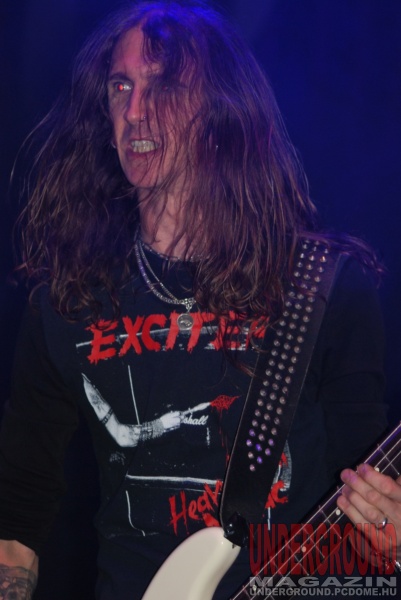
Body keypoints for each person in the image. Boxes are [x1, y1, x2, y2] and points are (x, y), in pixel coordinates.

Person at [0, 1, 398, 598]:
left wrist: (390, 539)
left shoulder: (319, 286)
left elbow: (361, 509)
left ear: (219, 110)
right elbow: (18, 514)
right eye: (121, 86)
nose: (136, 110)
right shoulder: (69, 301)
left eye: (163, 85)